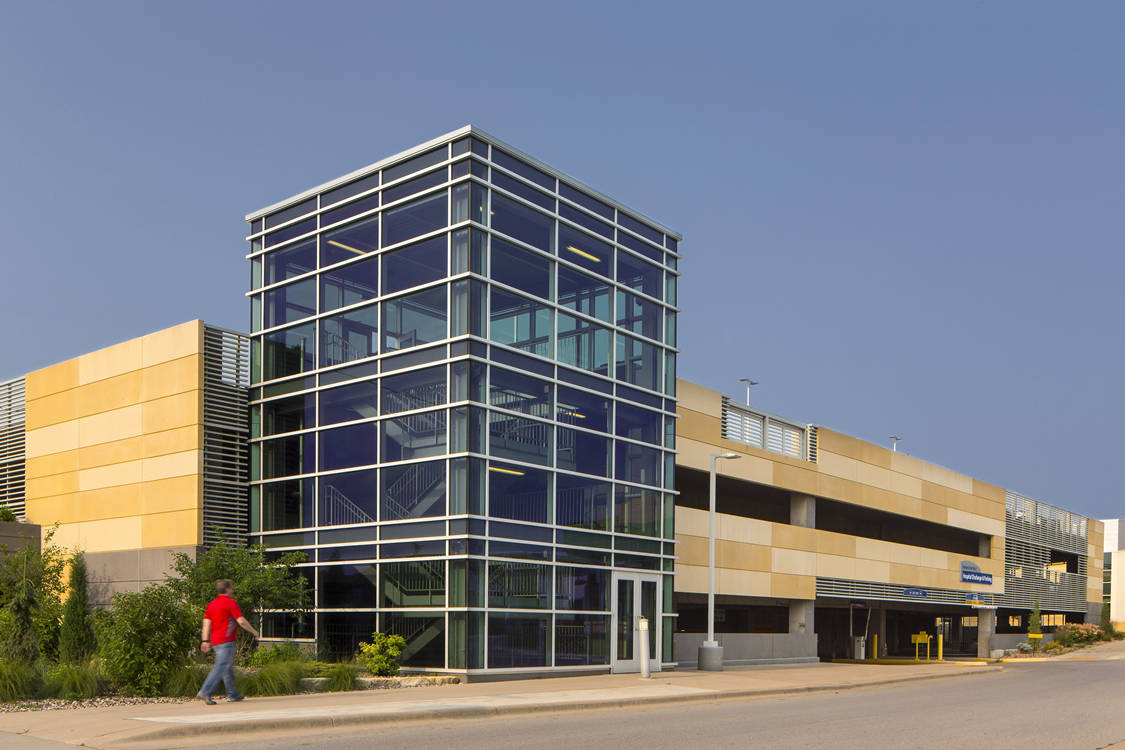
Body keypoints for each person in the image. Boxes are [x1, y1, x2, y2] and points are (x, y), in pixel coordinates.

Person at [196, 579, 260, 704]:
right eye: (231, 588)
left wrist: (205, 640)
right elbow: (241, 621)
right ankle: (205, 692)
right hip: (226, 641)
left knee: (226, 667)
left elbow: (206, 624)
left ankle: (233, 694)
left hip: (215, 642)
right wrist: (254, 631)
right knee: (221, 666)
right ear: (227, 589)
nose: (233, 590)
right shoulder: (230, 603)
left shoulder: (211, 605)